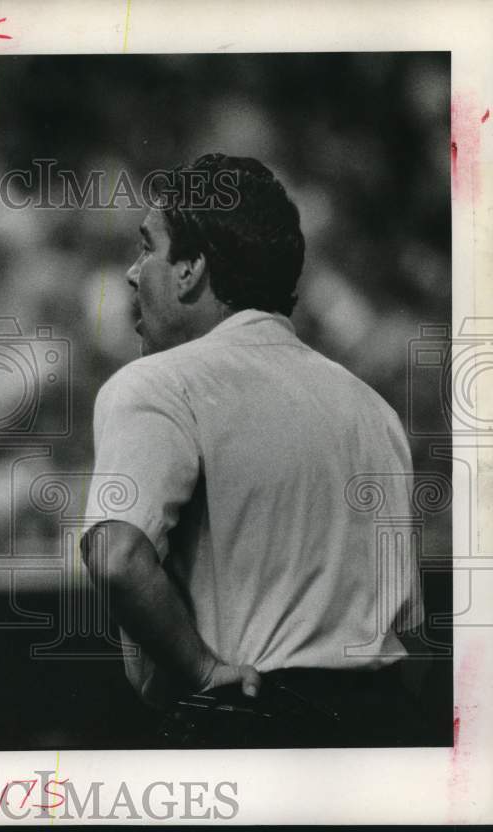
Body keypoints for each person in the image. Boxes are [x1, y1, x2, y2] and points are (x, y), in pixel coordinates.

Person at [81, 153, 425, 747]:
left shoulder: (158, 381)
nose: (134, 274)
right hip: (384, 725)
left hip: (251, 716)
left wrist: (204, 671)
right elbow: (403, 618)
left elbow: (115, 557)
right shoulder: (374, 408)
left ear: (191, 269)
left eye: (147, 248)